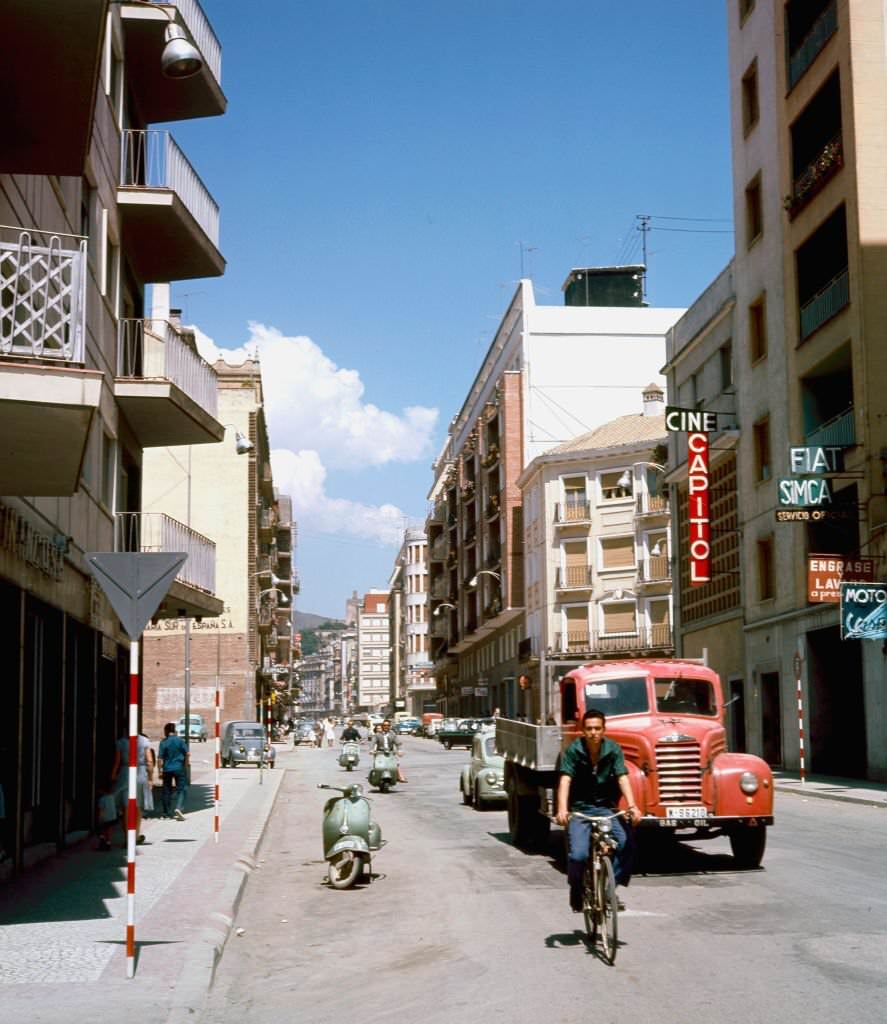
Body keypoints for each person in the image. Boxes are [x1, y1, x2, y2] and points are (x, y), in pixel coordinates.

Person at [555, 709, 641, 913]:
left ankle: (609, 888)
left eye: (597, 728)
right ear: (583, 731)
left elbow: (622, 777)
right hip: (581, 810)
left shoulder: (612, 750)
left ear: (604, 730)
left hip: (606, 808)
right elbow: (565, 780)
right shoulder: (573, 751)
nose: (593, 732)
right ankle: (576, 889)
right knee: (578, 856)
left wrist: (632, 806)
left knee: (627, 845)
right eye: (589, 729)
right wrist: (562, 809)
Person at [112, 730, 156, 845]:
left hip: (125, 773)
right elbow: (150, 761)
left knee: (126, 807)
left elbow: (117, 762)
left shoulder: (121, 743)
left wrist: (113, 777)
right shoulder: (144, 741)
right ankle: (135, 836)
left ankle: (127, 838)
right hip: (140, 773)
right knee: (137, 807)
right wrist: (151, 779)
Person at [158, 722, 190, 821]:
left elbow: (160, 759)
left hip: (167, 769)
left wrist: (160, 771)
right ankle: (178, 807)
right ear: (174, 730)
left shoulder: (163, 742)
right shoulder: (180, 741)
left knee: (166, 791)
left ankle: (166, 814)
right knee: (182, 788)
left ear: (166, 731)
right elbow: (188, 753)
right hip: (179, 768)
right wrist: (185, 765)